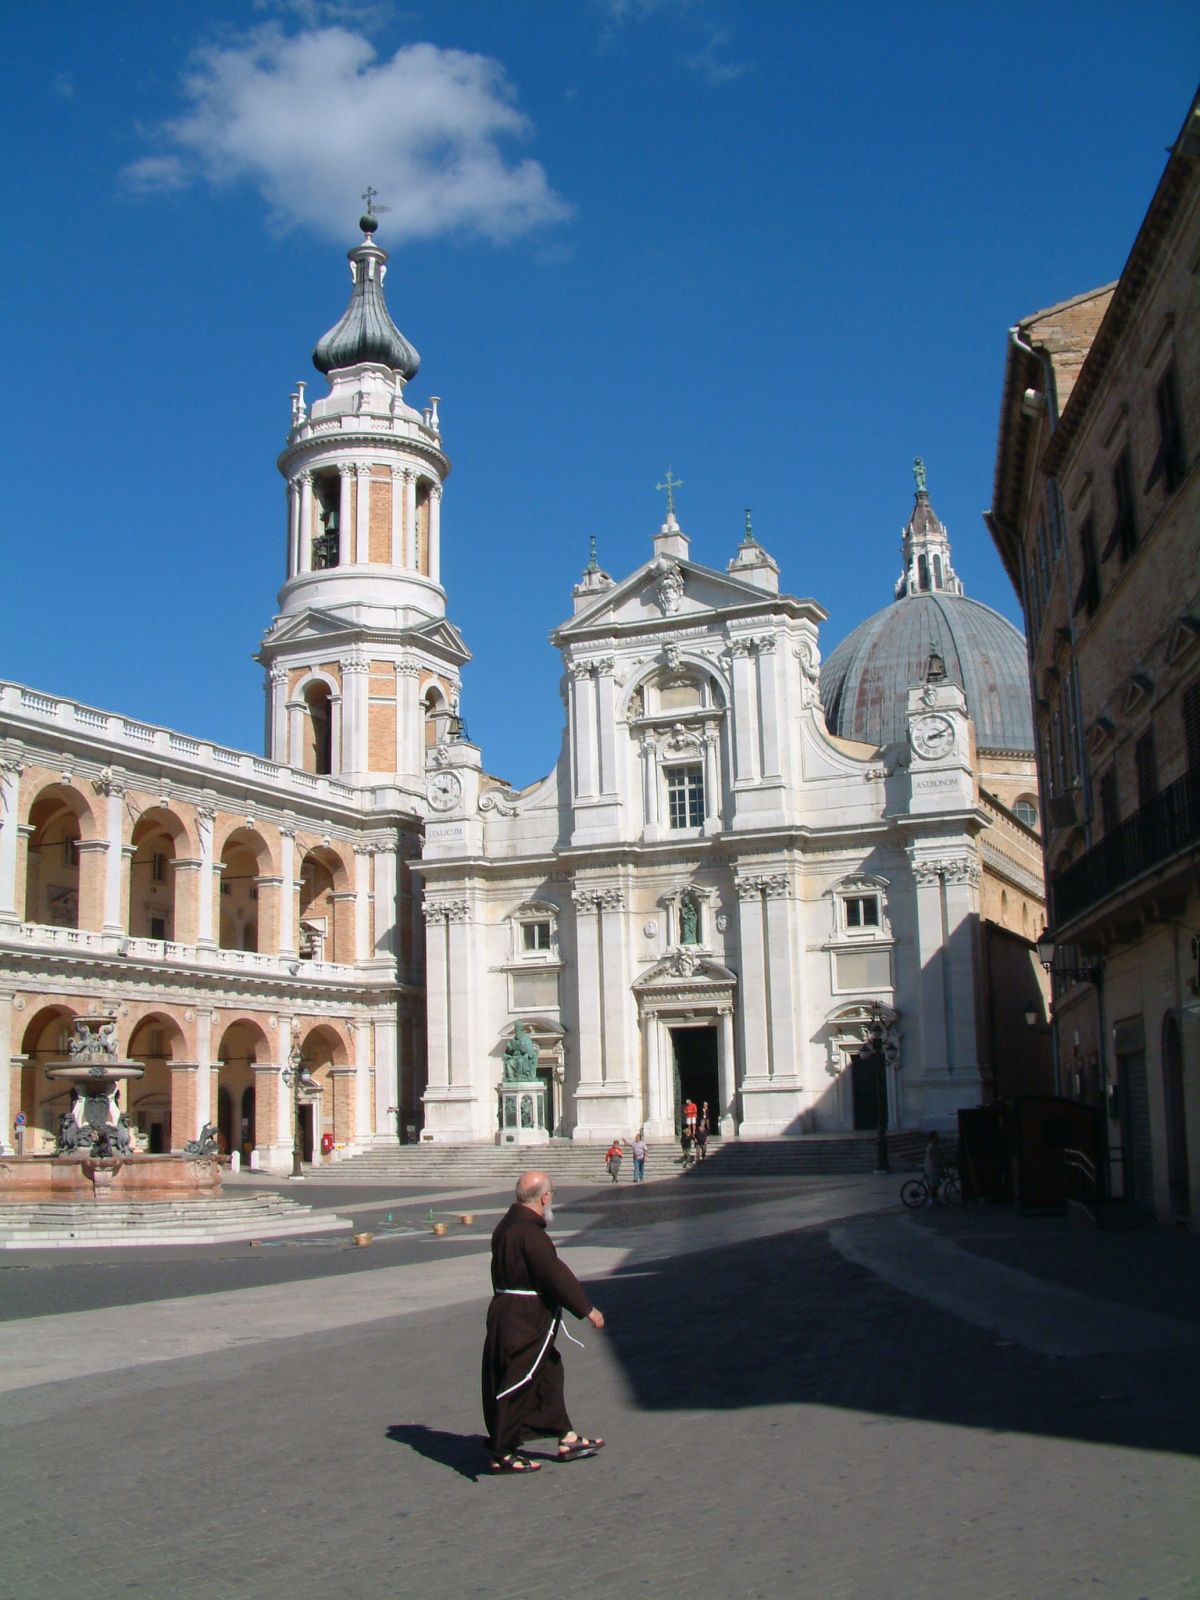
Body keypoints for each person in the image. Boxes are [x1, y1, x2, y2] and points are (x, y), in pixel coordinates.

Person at [481, 1171, 606, 1474]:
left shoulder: (507, 1226)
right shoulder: (529, 1233)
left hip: (508, 1310)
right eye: (552, 1193)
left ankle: (567, 1437)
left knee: (548, 1372)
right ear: (544, 1197)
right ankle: (503, 1451)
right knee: (518, 1380)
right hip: (523, 1318)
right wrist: (587, 1309)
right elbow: (553, 1273)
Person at [923, 1130, 945, 1205]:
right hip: (932, 1169)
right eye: (936, 1136)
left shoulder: (933, 1146)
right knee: (933, 1185)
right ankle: (931, 1200)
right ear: (932, 1137)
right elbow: (936, 1158)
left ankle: (935, 1199)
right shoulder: (932, 1147)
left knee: (935, 1185)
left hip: (934, 1168)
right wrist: (943, 1162)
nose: (938, 1137)